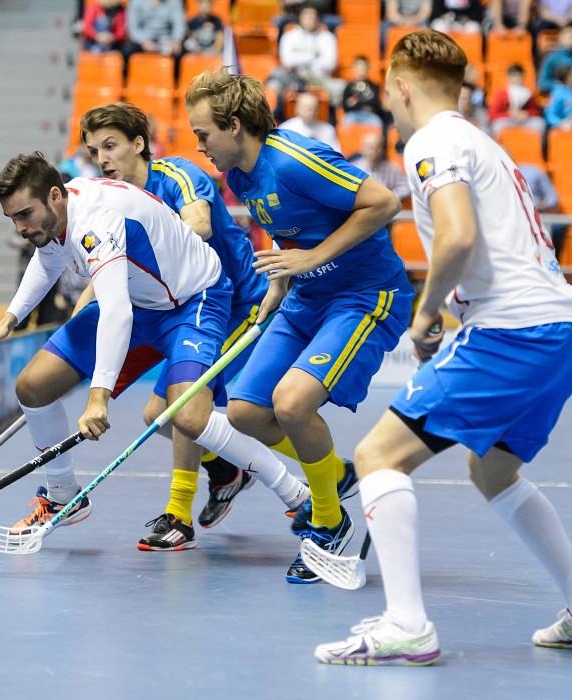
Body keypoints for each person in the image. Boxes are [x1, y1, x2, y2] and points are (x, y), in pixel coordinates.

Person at [312, 28, 572, 666]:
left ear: (401, 87)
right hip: (564, 329)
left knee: (377, 456)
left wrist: (426, 313)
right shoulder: (484, 143)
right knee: (494, 470)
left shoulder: (431, 142)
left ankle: (406, 626)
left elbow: (456, 238)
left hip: (513, 332)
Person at [0, 153, 290, 545]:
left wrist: (98, 398)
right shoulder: (56, 214)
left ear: (54, 196)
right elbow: (48, 261)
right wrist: (9, 319)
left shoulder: (95, 221)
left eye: (24, 215)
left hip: (193, 300)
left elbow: (115, 312)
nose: (20, 228)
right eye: (13, 218)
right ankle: (64, 496)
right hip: (141, 302)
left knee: (188, 415)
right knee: (32, 386)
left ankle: (295, 493)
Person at [186, 68, 412, 583]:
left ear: (234, 126)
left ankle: (329, 522)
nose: (199, 146)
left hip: (364, 295)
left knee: (291, 403)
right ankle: (334, 474)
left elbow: (383, 203)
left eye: (204, 134)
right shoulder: (239, 175)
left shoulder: (294, 159)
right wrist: (280, 282)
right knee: (244, 412)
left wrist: (312, 258)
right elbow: (289, 231)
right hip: (305, 297)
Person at [80, 102, 308, 550]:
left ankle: (181, 515)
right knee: (157, 415)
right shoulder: (110, 203)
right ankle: (225, 469)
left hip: (239, 300)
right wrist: (81, 312)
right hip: (187, 309)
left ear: (138, 144)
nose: (102, 159)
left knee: (180, 408)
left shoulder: (179, 175)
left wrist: (159, 241)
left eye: (110, 146)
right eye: (94, 151)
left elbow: (199, 225)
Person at [266, 5, 341, 118]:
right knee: (273, 84)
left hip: (319, 78)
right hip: (293, 77)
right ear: (300, 18)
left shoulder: (327, 37)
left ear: (318, 19)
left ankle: (332, 121)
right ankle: (273, 118)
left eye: (313, 16)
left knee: (341, 88)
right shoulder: (289, 36)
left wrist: (300, 59)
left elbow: (330, 63)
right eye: (306, 16)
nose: (310, 19)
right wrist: (313, 56)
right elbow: (287, 61)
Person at [348, 133, 411, 202]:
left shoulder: (392, 169)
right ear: (362, 149)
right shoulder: (354, 169)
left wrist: (391, 197)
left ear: (381, 149)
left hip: (386, 205)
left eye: (377, 147)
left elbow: (406, 187)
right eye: (369, 147)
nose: (373, 151)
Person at [489, 64, 547, 137]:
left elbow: (536, 112)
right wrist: (509, 114)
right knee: (497, 126)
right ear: (508, 78)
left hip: (525, 120)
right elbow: (493, 115)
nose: (516, 79)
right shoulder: (502, 94)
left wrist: (527, 114)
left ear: (523, 77)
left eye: (519, 76)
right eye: (513, 76)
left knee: (540, 123)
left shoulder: (528, 93)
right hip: (507, 121)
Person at [339, 56, 385, 129]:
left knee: (377, 122)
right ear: (354, 68)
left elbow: (375, 103)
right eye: (359, 66)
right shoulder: (349, 87)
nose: (362, 69)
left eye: (364, 66)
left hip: (370, 115)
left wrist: (355, 102)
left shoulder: (374, 86)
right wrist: (365, 104)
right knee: (344, 123)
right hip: (352, 115)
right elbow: (345, 106)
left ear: (368, 68)